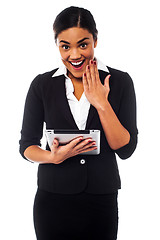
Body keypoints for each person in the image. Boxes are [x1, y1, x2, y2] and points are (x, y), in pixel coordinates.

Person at [19, 6, 138, 240]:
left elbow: (125, 149)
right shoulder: (42, 85)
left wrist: (101, 103)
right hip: (52, 200)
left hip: (101, 200)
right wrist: (53, 157)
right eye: (65, 46)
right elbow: (26, 146)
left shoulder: (121, 82)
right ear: (57, 45)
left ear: (95, 40)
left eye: (83, 44)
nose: (74, 55)